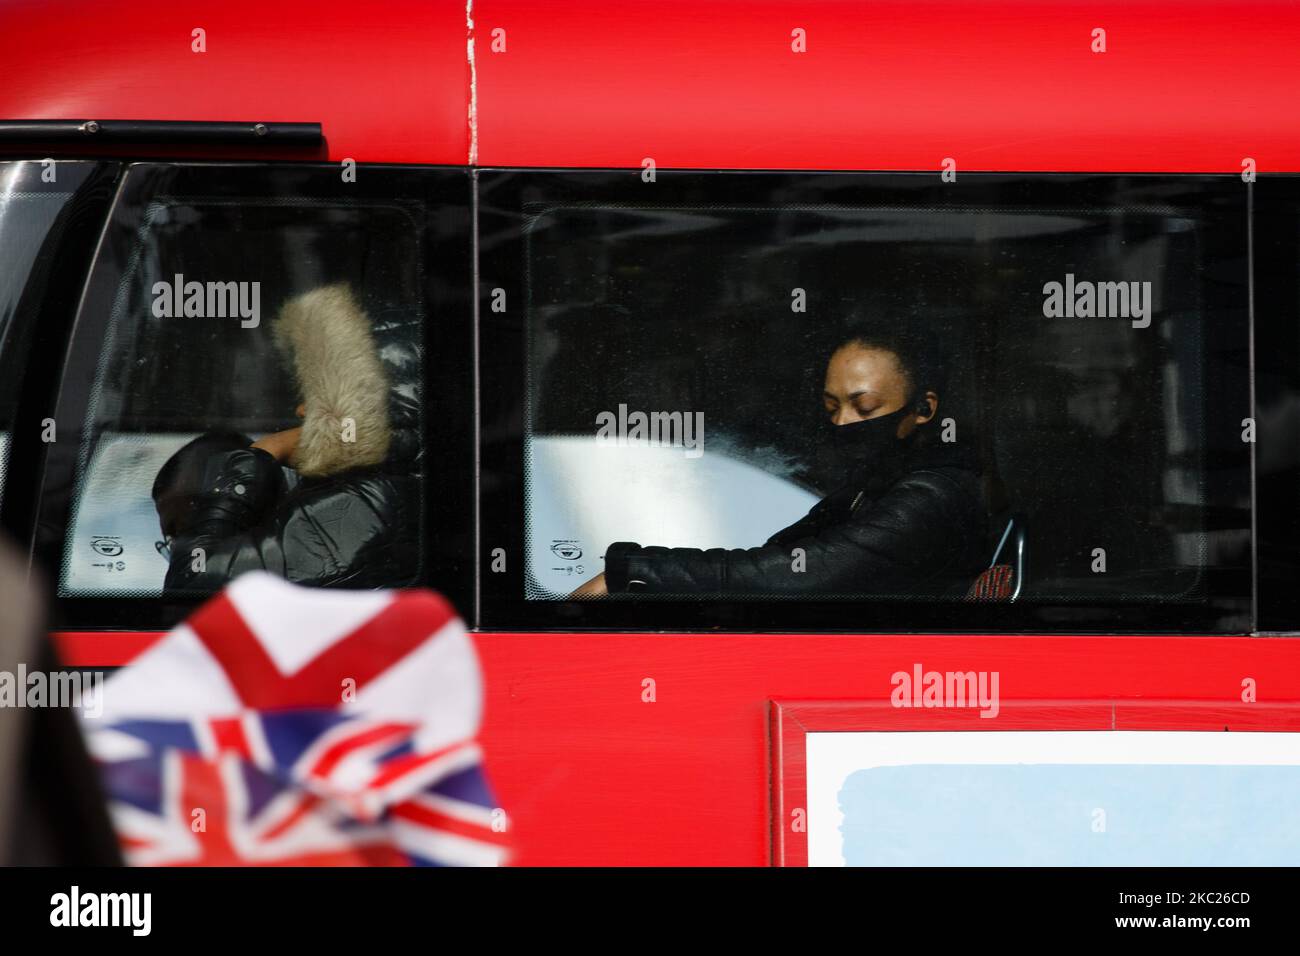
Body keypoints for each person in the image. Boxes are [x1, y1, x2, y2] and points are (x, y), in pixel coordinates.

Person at [570, 325, 989, 598]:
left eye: (865, 408)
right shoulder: (878, 481)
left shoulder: (929, 497)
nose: (843, 423)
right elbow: (779, 556)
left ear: (924, 409)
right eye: (831, 407)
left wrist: (632, 569)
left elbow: (796, 574)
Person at [152, 284, 422, 591]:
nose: (301, 409)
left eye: (315, 393)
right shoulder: (387, 489)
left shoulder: (371, 501)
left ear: (360, 400)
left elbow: (191, 583)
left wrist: (261, 453)